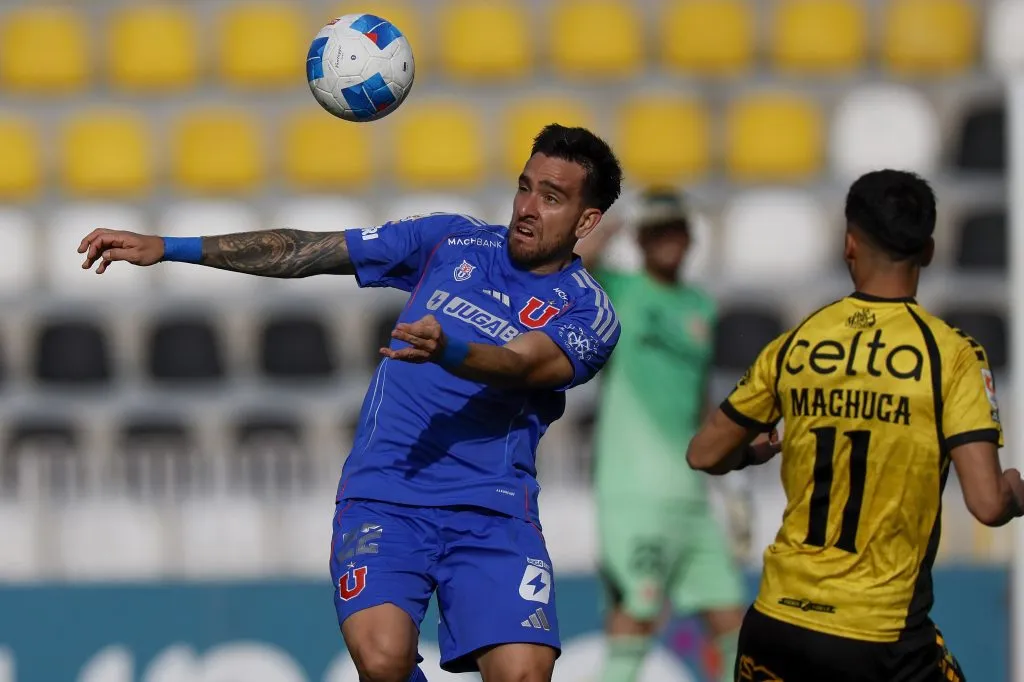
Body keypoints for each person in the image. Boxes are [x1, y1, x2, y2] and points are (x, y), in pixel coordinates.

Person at [77, 124, 624, 682]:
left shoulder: (588, 311)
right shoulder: (451, 241)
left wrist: (449, 349)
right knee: (383, 660)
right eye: (524, 187)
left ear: (587, 221)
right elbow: (308, 249)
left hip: (493, 509)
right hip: (387, 492)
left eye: (551, 198)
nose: (527, 208)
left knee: (523, 675)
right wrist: (170, 248)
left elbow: (523, 364)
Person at [686, 169, 1024, 682]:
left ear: (850, 244)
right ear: (928, 251)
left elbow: (704, 454)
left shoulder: (800, 341)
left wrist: (747, 453)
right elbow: (987, 504)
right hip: (880, 636)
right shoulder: (949, 356)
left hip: (778, 622)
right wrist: (1015, 492)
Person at [574, 188, 747, 682]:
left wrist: (728, 474)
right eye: (656, 231)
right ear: (642, 239)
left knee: (730, 618)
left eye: (674, 230)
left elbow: (698, 401)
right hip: (633, 492)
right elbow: (571, 264)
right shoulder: (621, 290)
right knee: (638, 614)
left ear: (690, 237)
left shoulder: (699, 306)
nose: (666, 241)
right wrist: (623, 220)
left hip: (691, 494)